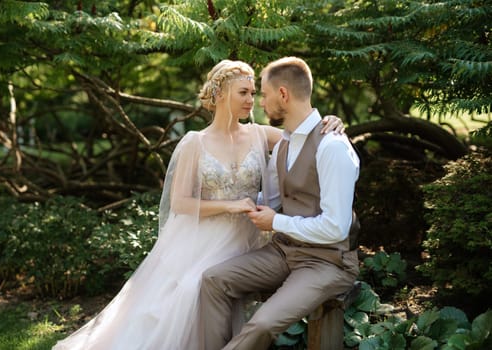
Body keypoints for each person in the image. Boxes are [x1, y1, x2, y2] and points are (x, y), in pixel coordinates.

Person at [52, 59, 344, 350]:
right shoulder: (195, 142)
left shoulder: (260, 134)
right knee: (191, 287)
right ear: (220, 94)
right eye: (243, 93)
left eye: (254, 93)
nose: (252, 100)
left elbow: (305, 136)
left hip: (249, 238)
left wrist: (331, 120)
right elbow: (180, 202)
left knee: (213, 285)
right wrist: (228, 206)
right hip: (205, 236)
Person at [200, 56, 361, 350]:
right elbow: (270, 200)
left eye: (263, 94)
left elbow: (337, 228)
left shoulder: (332, 146)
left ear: (283, 94)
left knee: (261, 323)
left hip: (328, 262)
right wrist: (223, 202)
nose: (260, 102)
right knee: (213, 279)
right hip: (285, 252)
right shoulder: (284, 143)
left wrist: (276, 222)